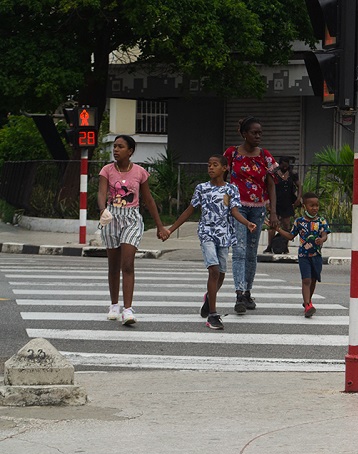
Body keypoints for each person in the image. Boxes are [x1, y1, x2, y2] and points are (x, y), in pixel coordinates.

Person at [162, 155, 257, 330]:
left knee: (220, 274)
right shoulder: (202, 188)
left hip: (224, 234)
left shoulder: (231, 189)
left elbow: (234, 211)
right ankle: (213, 315)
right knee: (213, 270)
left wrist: (247, 223)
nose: (211, 168)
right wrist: (170, 230)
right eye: (209, 165)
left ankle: (208, 298)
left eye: (215, 165)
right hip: (206, 232)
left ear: (225, 168)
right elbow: (189, 210)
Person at [97, 134, 168, 325]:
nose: (116, 149)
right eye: (115, 146)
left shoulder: (139, 172)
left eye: (120, 146)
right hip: (111, 217)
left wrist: (160, 226)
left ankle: (127, 310)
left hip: (131, 219)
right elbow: (101, 193)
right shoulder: (107, 170)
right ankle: (114, 304)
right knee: (113, 265)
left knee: (127, 264)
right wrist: (103, 210)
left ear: (130, 151)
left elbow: (149, 199)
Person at [224, 116, 278, 314]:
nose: (258, 136)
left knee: (251, 252)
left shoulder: (265, 155)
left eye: (260, 133)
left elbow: (271, 185)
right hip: (237, 208)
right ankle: (239, 293)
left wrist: (273, 212)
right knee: (239, 249)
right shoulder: (231, 153)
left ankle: (248, 291)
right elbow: (221, 178)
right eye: (254, 133)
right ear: (244, 134)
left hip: (258, 209)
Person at [273, 192, 330, 318]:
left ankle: (307, 301)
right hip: (304, 256)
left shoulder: (321, 221)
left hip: (316, 256)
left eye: (317, 205)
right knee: (306, 280)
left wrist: (321, 239)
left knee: (313, 280)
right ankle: (308, 305)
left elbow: (325, 234)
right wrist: (278, 230)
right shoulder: (299, 222)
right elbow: (291, 236)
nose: (315, 208)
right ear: (304, 206)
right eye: (311, 205)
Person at [265, 157, 301, 254]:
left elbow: (299, 185)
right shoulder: (274, 175)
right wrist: (268, 202)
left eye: (286, 165)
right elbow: (268, 188)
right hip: (275, 202)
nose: (284, 167)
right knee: (273, 225)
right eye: (283, 165)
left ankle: (285, 246)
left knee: (286, 225)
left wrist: (298, 198)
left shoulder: (292, 175)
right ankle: (269, 246)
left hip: (287, 202)